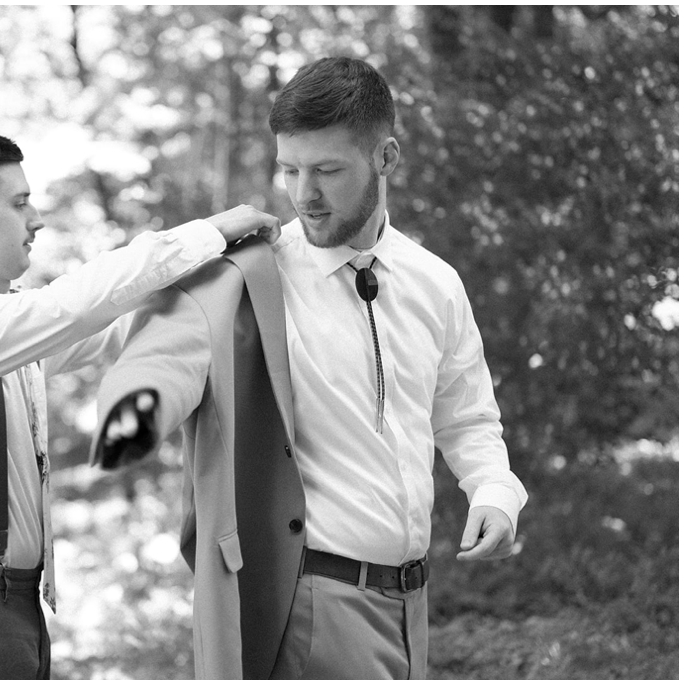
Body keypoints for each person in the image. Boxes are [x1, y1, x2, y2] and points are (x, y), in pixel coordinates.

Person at [93, 57, 528, 679]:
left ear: (386, 158)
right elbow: (167, 355)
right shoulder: (249, 277)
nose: (304, 195)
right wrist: (132, 412)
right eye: (290, 170)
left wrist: (494, 489)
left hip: (414, 605)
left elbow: (465, 412)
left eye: (327, 170)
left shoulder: (437, 282)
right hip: (312, 605)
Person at [0, 129, 280, 679]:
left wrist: (220, 277)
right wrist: (206, 234)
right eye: (19, 204)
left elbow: (112, 327)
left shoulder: (3, 325)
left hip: (1, 606)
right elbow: (70, 308)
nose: (36, 220)